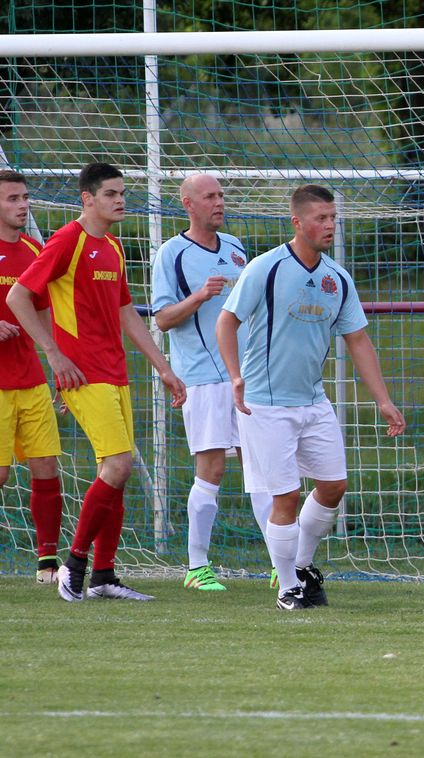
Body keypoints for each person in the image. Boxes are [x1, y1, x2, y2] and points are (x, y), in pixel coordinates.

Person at [217, 184, 405, 611]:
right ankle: (287, 588)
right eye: (321, 218)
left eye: (333, 218)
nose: (329, 226)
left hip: (313, 400)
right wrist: (235, 377)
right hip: (265, 403)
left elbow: (358, 339)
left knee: (334, 485)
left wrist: (383, 400)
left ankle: (300, 567)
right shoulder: (265, 268)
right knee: (285, 496)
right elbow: (226, 322)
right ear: (297, 222)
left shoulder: (336, 277)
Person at [7, 162, 187, 602]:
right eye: (110, 193)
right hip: (82, 373)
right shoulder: (67, 240)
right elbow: (18, 297)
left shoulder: (114, 247)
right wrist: (54, 353)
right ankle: (74, 565)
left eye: (122, 192)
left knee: (117, 474)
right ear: (87, 199)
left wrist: (161, 365)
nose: (120, 200)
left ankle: (104, 575)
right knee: (119, 464)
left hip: (115, 371)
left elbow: (127, 312)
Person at [150, 173, 273, 592]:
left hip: (246, 375)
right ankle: (196, 566)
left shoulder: (237, 249)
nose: (219, 202)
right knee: (213, 466)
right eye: (210, 196)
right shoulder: (173, 254)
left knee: (263, 465)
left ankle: (282, 562)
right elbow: (163, 318)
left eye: (221, 195)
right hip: (202, 377)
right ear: (188, 203)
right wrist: (199, 297)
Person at [0, 169, 66, 583]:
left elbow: (45, 312)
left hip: (31, 379)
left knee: (46, 466)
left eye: (25, 198)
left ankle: (46, 562)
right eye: (12, 199)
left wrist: (58, 360)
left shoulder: (33, 250)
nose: (23, 205)